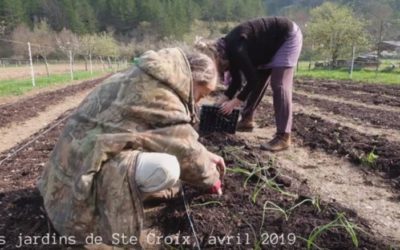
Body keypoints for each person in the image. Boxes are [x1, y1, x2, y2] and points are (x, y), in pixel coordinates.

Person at [37, 47, 225, 247]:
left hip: (68, 168)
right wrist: (212, 180)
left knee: (158, 152)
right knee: (167, 167)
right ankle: (109, 205)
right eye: (201, 94)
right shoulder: (162, 95)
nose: (198, 101)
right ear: (192, 80)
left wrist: (205, 153)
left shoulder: (144, 76)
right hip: (85, 176)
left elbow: (164, 136)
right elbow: (184, 149)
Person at [196, 16, 303, 152]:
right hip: (268, 47)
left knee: (279, 84)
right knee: (258, 77)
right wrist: (223, 100)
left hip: (285, 38)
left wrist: (235, 102)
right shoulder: (228, 51)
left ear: (215, 57)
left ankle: (283, 137)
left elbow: (252, 81)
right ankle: (247, 120)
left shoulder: (236, 49)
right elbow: (237, 82)